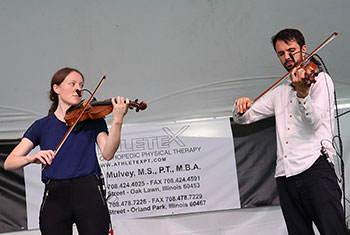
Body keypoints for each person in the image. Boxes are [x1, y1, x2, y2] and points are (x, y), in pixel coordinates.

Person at [233, 29, 348, 235]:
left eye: (291, 50)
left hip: (315, 166)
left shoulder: (320, 81)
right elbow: (244, 118)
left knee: (333, 230)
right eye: (281, 53)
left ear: (304, 49)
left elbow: (314, 124)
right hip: (285, 175)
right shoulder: (280, 91)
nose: (287, 57)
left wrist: (304, 95)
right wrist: (240, 107)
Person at [4, 67, 129, 235]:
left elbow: (108, 152)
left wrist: (118, 120)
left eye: (81, 85)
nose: (79, 89)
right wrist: (32, 158)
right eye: (72, 84)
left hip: (89, 191)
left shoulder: (93, 121)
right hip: (55, 195)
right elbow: (9, 163)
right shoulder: (41, 126)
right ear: (56, 89)